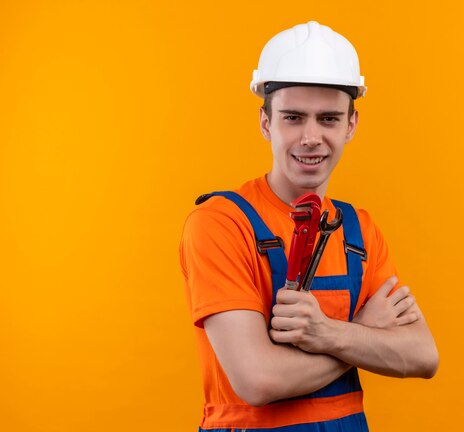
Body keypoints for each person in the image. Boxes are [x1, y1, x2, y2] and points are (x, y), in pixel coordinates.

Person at [179, 21, 438, 432]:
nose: (311, 137)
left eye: (329, 118)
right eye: (293, 117)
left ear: (351, 125)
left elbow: (422, 356)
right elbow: (257, 380)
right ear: (266, 122)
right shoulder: (220, 225)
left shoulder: (359, 230)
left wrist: (327, 333)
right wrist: (364, 334)